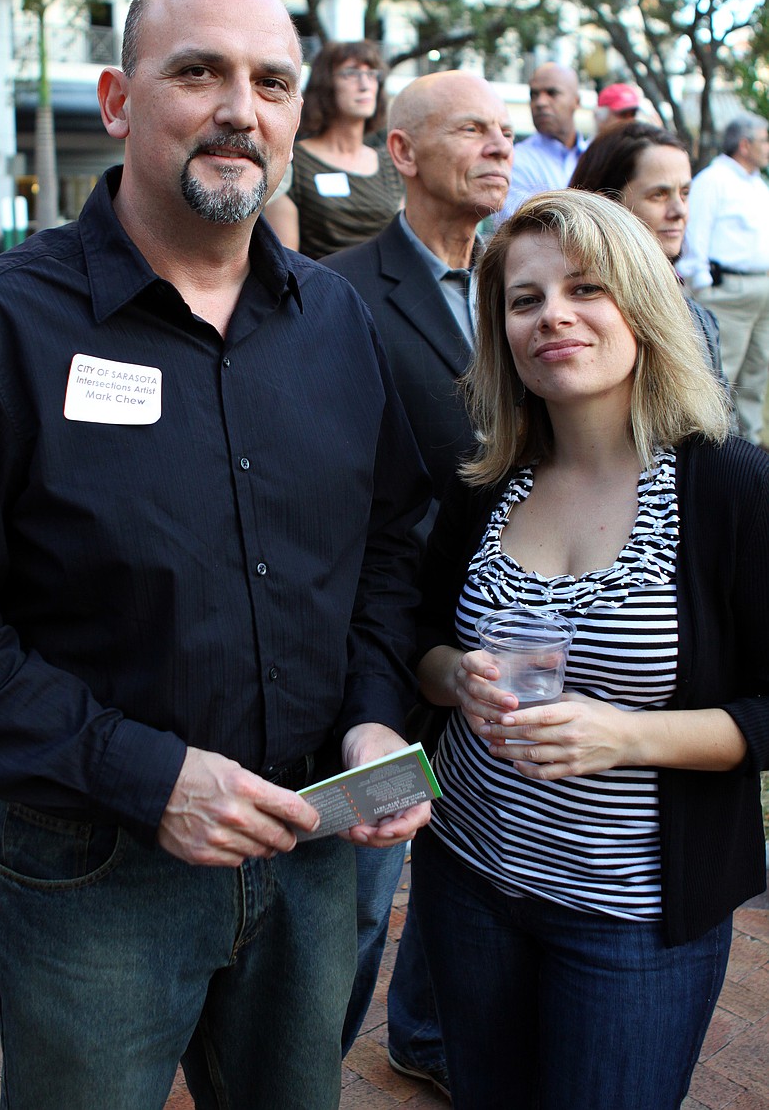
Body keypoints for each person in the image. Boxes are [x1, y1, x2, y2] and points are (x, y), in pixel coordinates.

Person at [0, 0, 432, 1110]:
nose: (237, 109)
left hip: (311, 854)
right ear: (118, 100)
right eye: (196, 71)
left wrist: (371, 711)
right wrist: (146, 775)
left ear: (300, 114)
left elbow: (390, 542)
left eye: (270, 81)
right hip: (93, 870)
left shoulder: (336, 322)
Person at [410, 189, 768, 1110]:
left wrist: (628, 736)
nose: (553, 316)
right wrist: (456, 678)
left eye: (585, 289)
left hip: (635, 921)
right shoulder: (487, 479)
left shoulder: (728, 484)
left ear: (641, 308)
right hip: (469, 878)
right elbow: (419, 639)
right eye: (524, 300)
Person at [328, 70, 514, 1094]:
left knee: (469, 876)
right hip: (383, 658)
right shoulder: (337, 293)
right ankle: (302, 1066)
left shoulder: (527, 283)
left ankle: (426, 1037)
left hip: (501, 656)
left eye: (507, 132)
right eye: (472, 131)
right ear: (400, 152)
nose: (499, 147)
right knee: (361, 894)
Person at [569, 120, 725, 379]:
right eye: (659, 195)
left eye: (684, 193)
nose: (680, 211)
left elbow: (721, 415)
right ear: (605, 202)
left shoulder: (699, 322)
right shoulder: (571, 316)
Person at [263, 39, 401, 258]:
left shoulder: (391, 164)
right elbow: (285, 262)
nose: (365, 85)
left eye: (371, 74)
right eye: (351, 73)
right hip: (320, 288)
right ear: (326, 84)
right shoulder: (292, 161)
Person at [680, 113, 769, 443]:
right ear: (744, 145)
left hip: (762, 290)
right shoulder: (713, 180)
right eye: (764, 140)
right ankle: (716, 453)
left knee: (757, 374)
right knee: (721, 376)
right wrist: (702, 285)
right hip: (728, 292)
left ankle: (751, 453)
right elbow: (695, 233)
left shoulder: (758, 183)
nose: (768, 147)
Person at [499, 62, 587, 217]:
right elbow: (520, 228)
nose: (540, 103)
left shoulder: (595, 156)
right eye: (534, 95)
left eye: (552, 93)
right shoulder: (515, 161)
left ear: (576, 101)